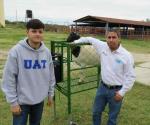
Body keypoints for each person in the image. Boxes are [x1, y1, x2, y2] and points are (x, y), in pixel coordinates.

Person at [71, 30, 136, 125]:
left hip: (116, 91)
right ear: (106, 39)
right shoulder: (103, 46)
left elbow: (131, 76)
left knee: (112, 117)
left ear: (119, 39)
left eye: (114, 37)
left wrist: (122, 92)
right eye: (109, 37)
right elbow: (90, 39)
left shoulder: (126, 56)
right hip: (102, 87)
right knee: (96, 112)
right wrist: (75, 42)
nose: (111, 40)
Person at [1, 19, 56, 125]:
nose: (37, 34)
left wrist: (50, 94)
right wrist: (13, 103)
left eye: (40, 31)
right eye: (34, 31)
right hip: (21, 102)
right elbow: (9, 78)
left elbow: (51, 75)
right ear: (27, 32)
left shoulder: (46, 52)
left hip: (39, 100)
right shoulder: (16, 51)